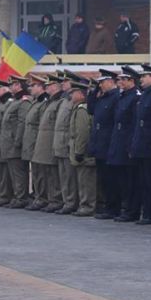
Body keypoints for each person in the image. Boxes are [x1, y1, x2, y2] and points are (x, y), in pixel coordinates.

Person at [131, 64, 151, 225]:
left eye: (144, 76)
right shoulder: (144, 95)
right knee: (143, 181)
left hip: (150, 146)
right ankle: (148, 212)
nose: (141, 79)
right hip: (141, 144)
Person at [88, 69, 121, 219]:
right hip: (100, 143)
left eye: (102, 82)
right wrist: (95, 90)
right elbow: (91, 109)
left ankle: (113, 208)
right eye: (99, 83)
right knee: (103, 178)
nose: (100, 85)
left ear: (111, 82)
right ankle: (108, 206)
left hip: (109, 143)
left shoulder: (116, 97)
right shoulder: (103, 97)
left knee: (111, 179)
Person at [110, 66, 141, 222]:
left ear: (131, 81)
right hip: (119, 141)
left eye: (123, 79)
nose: (120, 82)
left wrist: (131, 145)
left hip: (127, 143)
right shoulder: (122, 96)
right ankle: (124, 208)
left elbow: (135, 123)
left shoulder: (135, 97)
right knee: (121, 179)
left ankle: (131, 210)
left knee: (130, 180)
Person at [31, 74, 65, 213]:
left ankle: (55, 199)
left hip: (51, 141)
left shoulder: (60, 102)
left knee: (53, 174)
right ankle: (46, 198)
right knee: (45, 172)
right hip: (43, 141)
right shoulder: (49, 102)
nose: (48, 88)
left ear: (56, 86)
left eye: (49, 86)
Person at [1, 75, 32, 209]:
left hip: (15, 142)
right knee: (13, 172)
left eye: (12, 84)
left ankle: (22, 197)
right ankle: (17, 195)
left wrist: (17, 141)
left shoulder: (23, 102)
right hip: (9, 142)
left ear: (18, 85)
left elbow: (22, 123)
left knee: (19, 172)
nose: (10, 87)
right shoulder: (15, 101)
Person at [53, 70, 82, 214]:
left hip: (67, 143)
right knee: (63, 176)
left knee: (70, 176)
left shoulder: (75, 101)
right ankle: (66, 201)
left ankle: (71, 202)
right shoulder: (64, 100)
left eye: (65, 82)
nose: (62, 84)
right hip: (59, 142)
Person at [68, 80, 97, 216]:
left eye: (73, 93)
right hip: (83, 151)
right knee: (83, 180)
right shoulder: (80, 107)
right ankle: (84, 204)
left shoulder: (82, 109)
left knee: (86, 181)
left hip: (84, 153)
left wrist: (79, 152)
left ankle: (87, 206)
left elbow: (82, 133)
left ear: (80, 94)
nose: (71, 96)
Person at [22, 76, 50, 210]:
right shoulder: (36, 102)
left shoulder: (44, 102)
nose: (30, 88)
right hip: (32, 140)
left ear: (40, 87)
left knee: (41, 173)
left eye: (33, 86)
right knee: (36, 172)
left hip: (38, 141)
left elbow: (42, 125)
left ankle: (42, 198)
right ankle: (38, 196)